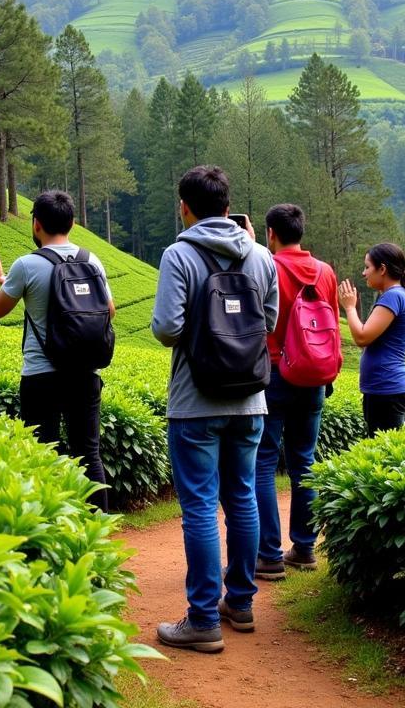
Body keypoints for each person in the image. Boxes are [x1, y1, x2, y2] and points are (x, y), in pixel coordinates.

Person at [151, 166, 278, 653]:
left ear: (185, 206)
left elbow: (166, 328)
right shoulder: (262, 256)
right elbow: (268, 320)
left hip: (195, 400)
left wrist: (203, 335)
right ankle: (240, 604)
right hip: (250, 399)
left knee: (200, 506)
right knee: (242, 497)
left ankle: (203, 619)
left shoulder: (179, 254)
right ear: (229, 206)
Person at [0, 189, 115, 511]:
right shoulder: (92, 260)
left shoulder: (27, 265)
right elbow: (110, 310)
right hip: (84, 374)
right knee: (88, 453)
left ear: (36, 224)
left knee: (41, 452)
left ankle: (48, 528)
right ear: (72, 223)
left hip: (41, 376)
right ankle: (100, 532)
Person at [254, 204, 339, 582]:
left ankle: (269, 554)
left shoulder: (267, 267)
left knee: (263, 462)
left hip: (273, 371)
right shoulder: (325, 272)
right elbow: (332, 325)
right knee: (305, 460)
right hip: (314, 376)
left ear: (271, 232)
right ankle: (304, 547)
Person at [338, 242, 405, 437]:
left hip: (387, 389)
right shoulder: (395, 295)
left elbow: (362, 337)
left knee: (385, 457)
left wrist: (350, 307)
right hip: (385, 389)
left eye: (367, 267)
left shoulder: (393, 297)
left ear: (382, 269)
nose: (364, 273)